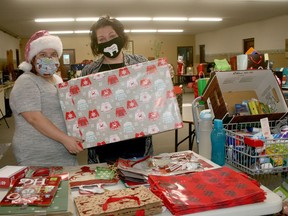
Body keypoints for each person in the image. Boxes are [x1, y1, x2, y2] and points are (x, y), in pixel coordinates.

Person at [81, 15, 153, 164]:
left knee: (138, 181)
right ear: (97, 44)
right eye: (101, 39)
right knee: (107, 183)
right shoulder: (89, 72)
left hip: (136, 138)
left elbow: (152, 95)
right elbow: (85, 108)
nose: (108, 42)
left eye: (112, 36)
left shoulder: (140, 63)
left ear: (121, 36)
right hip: (104, 142)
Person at [9, 30, 83, 166]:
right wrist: (65, 139)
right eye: (43, 54)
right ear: (32, 58)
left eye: (53, 54)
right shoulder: (26, 81)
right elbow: (34, 118)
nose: (48, 59)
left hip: (63, 151)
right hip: (38, 154)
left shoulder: (57, 79)